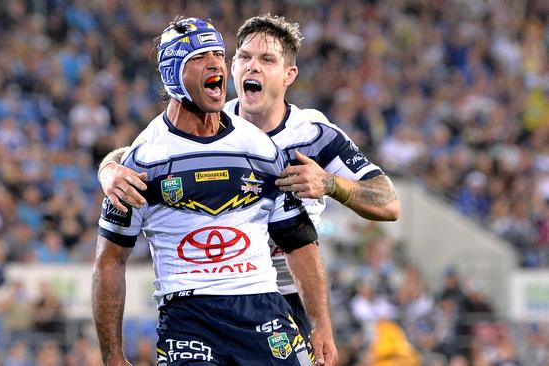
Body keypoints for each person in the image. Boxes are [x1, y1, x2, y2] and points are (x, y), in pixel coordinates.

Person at [98, 14, 400, 347]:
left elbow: (387, 202)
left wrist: (331, 184)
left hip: (289, 295)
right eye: (244, 57)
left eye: (267, 59)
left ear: (289, 75)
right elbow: (146, 155)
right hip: (216, 295)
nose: (251, 67)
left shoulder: (313, 135)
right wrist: (108, 170)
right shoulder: (210, 118)